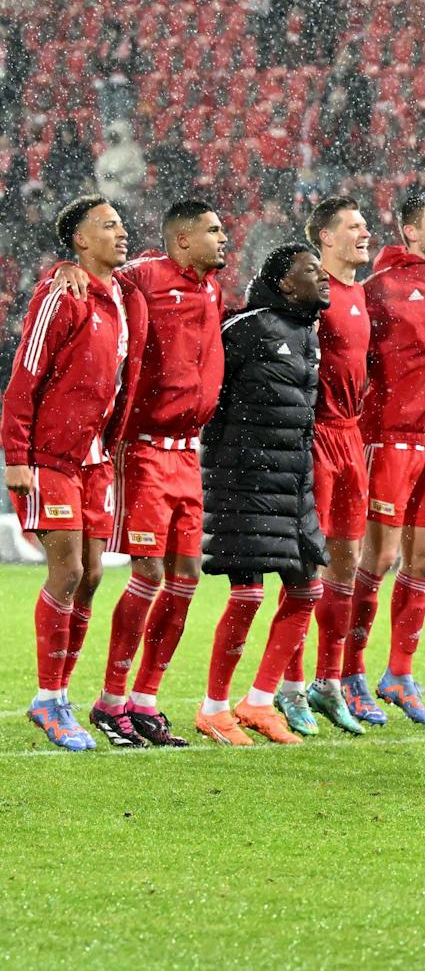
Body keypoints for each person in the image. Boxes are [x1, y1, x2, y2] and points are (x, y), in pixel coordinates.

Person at [88, 198, 229, 749]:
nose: (224, 239)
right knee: (147, 575)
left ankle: (145, 701)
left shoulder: (211, 288)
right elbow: (96, 274)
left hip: (188, 454)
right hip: (144, 450)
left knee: (187, 578)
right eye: (214, 230)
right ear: (182, 240)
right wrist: (67, 270)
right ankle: (110, 700)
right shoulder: (144, 276)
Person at [3, 195, 131, 751]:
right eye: (108, 226)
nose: (122, 233)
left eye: (122, 223)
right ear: (79, 240)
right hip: (51, 458)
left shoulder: (119, 297)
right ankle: (49, 698)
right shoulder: (61, 292)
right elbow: (25, 375)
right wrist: (15, 457)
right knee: (68, 570)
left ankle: (57, 695)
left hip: (95, 460)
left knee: (94, 575)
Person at [193, 245, 330, 746]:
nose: (324, 278)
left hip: (294, 484)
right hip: (243, 482)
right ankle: (213, 708)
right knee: (247, 594)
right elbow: (210, 395)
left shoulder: (307, 335)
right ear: (286, 283)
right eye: (311, 272)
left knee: (306, 590)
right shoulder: (246, 329)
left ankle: (259, 701)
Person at [345, 190, 425, 728]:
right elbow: (344, 351)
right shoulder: (380, 290)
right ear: (409, 232)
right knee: (377, 560)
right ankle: (347, 672)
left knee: (422, 562)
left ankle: (399, 673)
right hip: (388, 441)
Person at [298, 197, 373, 733]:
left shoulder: (359, 294)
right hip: (316, 437)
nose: (363, 233)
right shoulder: (309, 289)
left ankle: (329, 681)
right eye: (353, 227)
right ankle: (289, 683)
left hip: (352, 435)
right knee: (309, 567)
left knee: (347, 563)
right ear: (325, 237)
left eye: (366, 225)